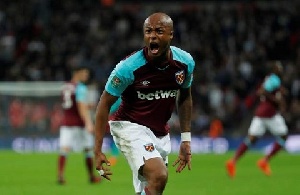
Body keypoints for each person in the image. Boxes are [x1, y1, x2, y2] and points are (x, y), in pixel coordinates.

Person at [94, 12, 195, 195]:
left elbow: (185, 97)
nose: (152, 36)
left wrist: (186, 139)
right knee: (159, 175)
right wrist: (97, 149)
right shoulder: (128, 68)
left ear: (171, 34)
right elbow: (104, 103)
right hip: (129, 126)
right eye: (148, 31)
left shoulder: (185, 63)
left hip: (160, 133)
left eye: (159, 31)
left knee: (152, 188)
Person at [226, 61, 288, 178]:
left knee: (251, 139)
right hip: (270, 114)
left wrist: (279, 92)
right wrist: (276, 100)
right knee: (283, 136)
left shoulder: (270, 79)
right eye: (279, 67)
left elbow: (264, 91)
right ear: (274, 69)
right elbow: (262, 91)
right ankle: (265, 161)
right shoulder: (275, 79)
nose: (281, 69)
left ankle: (232, 161)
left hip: (260, 113)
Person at [57, 66, 101, 184]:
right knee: (88, 149)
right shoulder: (80, 87)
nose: (86, 76)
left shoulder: (65, 86)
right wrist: (88, 123)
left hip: (66, 123)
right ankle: (91, 176)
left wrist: (87, 106)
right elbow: (80, 106)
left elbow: (71, 105)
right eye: (84, 73)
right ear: (77, 73)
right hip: (80, 124)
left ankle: (60, 175)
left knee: (64, 149)